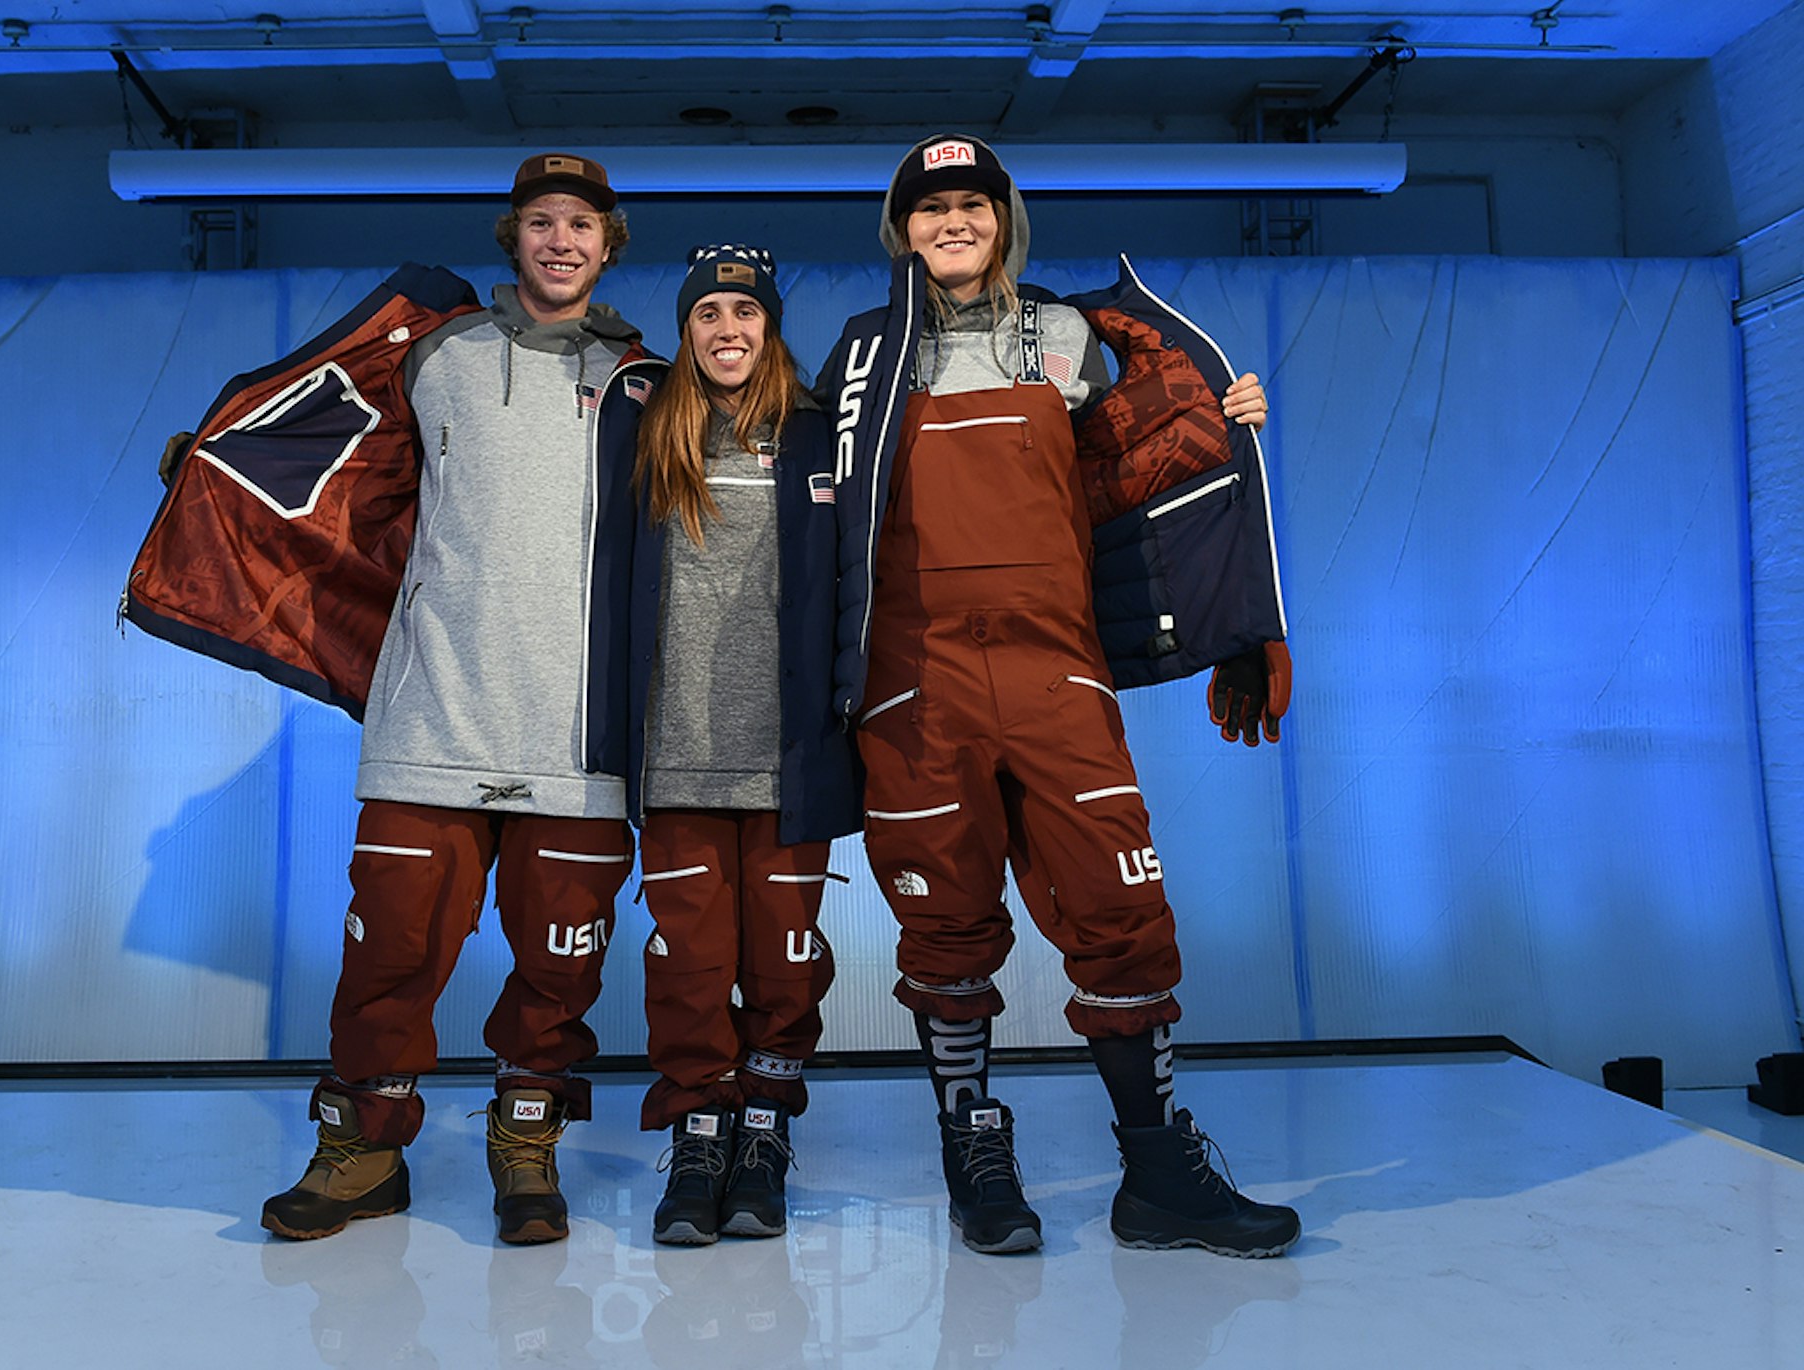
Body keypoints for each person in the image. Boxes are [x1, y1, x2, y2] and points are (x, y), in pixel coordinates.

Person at [125, 153, 668, 1245]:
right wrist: (224, 471)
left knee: (561, 963)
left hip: (580, 734)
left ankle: (526, 1145)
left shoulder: (653, 379)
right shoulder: (434, 355)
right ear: (511, 235)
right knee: (387, 956)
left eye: (581, 225)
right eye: (540, 223)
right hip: (431, 718)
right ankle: (362, 1149)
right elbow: (335, 483)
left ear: (611, 241)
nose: (559, 242)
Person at [821, 134, 1298, 1257]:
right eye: (929, 207)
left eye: (971, 205)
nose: (951, 222)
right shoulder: (860, 355)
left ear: (1004, 220)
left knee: (1122, 913)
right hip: (915, 683)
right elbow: (825, 521)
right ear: (901, 228)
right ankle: (974, 1153)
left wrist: (1220, 430)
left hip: (1056, 673)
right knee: (943, 927)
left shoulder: (1072, 338)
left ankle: (1155, 1171)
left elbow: (1122, 482)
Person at [622, 245, 859, 1245]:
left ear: (769, 326)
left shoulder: (818, 436)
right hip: (676, 753)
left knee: (782, 963)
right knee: (689, 961)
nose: (726, 328)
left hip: (787, 758)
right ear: (683, 328)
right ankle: (698, 1130)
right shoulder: (643, 433)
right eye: (707, 312)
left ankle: (761, 1128)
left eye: (744, 311)